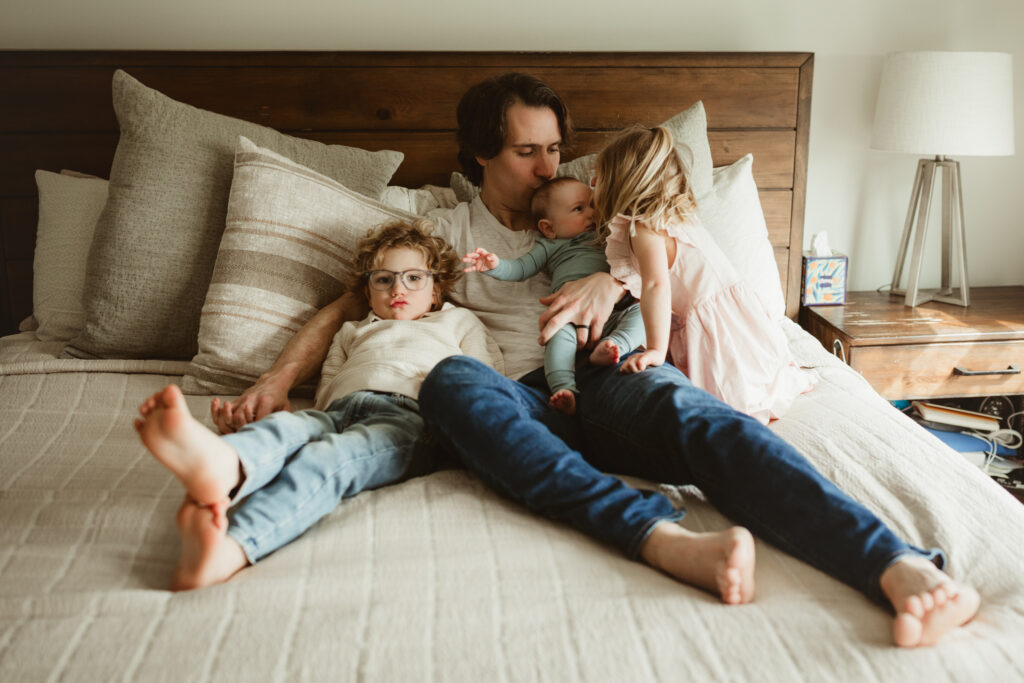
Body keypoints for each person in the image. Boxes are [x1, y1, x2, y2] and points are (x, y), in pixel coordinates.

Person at [212, 73, 979, 647]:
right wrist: (278, 379)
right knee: (448, 382)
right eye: (527, 151)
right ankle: (661, 537)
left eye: (554, 147)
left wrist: (609, 277)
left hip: (605, 370)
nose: (549, 167)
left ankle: (896, 563)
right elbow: (351, 301)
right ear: (482, 153)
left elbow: (661, 248)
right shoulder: (438, 222)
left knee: (691, 413)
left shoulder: (592, 203)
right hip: (509, 396)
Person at [136, 219, 502, 590]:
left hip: (410, 417)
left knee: (327, 459)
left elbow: (485, 382)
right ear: (367, 292)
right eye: (383, 279)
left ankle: (232, 548)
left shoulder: (458, 321)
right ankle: (227, 463)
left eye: (413, 278)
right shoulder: (351, 331)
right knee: (283, 428)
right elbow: (327, 387)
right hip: (340, 410)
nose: (397, 289)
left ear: (436, 291)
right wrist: (302, 419)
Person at [590, 125, 813, 424]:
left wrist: (656, 349)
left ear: (621, 182)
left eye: (599, 178)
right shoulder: (674, 216)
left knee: (722, 398)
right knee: (751, 378)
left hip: (713, 323)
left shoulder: (643, 229)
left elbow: (657, 285)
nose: (592, 183)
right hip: (736, 316)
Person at [462, 176, 644, 414]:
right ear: (548, 228)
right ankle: (564, 388)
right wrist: (495, 265)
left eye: (592, 205)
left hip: (616, 306)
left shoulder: (608, 233)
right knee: (556, 338)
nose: (591, 213)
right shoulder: (549, 246)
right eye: (578, 209)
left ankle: (614, 345)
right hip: (569, 313)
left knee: (642, 311)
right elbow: (520, 268)